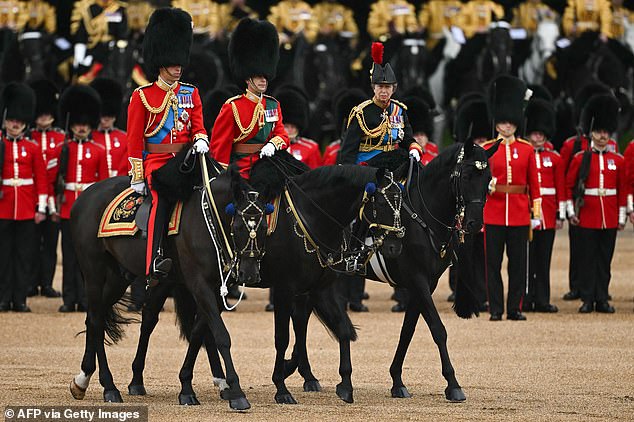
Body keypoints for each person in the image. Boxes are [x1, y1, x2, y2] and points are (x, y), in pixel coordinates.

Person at [127, 8, 208, 288]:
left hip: (187, 159)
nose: (178, 67)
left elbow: (197, 124)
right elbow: (134, 140)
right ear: (161, 62)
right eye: (173, 63)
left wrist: (200, 137)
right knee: (161, 201)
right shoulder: (143, 96)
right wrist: (138, 176)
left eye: (179, 63)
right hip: (159, 163)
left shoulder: (190, 93)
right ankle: (154, 259)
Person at [482, 75, 541, 322]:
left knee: (518, 265)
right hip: (493, 213)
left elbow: (534, 184)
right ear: (497, 123)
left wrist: (535, 214)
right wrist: (488, 185)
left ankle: (514, 307)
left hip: (518, 213)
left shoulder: (527, 149)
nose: (506, 127)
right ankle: (496, 308)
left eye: (510, 123)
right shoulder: (486, 149)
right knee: (492, 265)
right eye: (502, 122)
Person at [48, 85, 108, 312]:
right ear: (71, 124)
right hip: (66, 207)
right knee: (69, 254)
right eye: (77, 124)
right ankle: (68, 297)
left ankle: (84, 297)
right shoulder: (63, 149)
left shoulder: (99, 150)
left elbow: (103, 184)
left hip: (90, 212)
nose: (81, 128)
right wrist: (53, 204)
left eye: (85, 124)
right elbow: (54, 179)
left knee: (88, 258)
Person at [557, 82, 620, 301]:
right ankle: (579, 287)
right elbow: (565, 176)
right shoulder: (572, 146)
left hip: (602, 209)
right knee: (580, 251)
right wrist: (567, 207)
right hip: (580, 204)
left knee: (601, 255)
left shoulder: (612, 150)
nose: (603, 135)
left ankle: (598, 292)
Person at [209, 17, 289, 178]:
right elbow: (220, 148)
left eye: (265, 76)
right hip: (240, 172)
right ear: (247, 78)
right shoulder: (233, 106)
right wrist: (223, 178)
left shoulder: (272, 105)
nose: (263, 80)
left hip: (268, 166)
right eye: (258, 76)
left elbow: (282, 135)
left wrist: (273, 145)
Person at [0, 82, 47, 313]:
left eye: (18, 121)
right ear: (6, 119)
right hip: (3, 207)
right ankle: (3, 297)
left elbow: (41, 179)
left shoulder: (33, 147)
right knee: (3, 255)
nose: (15, 124)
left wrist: (41, 207)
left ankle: (20, 299)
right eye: (11, 120)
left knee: (23, 256)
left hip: (27, 207)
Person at [337, 42, 421, 165]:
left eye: (387, 87)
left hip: (393, 162)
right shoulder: (362, 112)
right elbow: (349, 149)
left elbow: (406, 138)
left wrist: (413, 147)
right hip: (367, 164)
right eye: (380, 86)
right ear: (373, 88)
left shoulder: (399, 110)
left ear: (393, 89)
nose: (383, 91)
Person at [390, 94, 436, 312]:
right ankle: (401, 296)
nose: (420, 138)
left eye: (422, 135)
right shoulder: (401, 155)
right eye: (416, 134)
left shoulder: (434, 154)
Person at [524, 98, 562, 313]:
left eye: (540, 134)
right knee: (527, 259)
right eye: (534, 134)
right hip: (526, 212)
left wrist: (559, 214)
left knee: (543, 259)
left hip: (547, 213)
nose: (537, 138)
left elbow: (559, 188)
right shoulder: (524, 154)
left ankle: (543, 298)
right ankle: (527, 297)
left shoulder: (554, 158)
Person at [28, 79, 64, 299]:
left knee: (50, 244)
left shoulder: (60, 138)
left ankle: (47, 283)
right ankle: (31, 283)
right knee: (31, 244)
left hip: (53, 198)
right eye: (40, 114)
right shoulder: (29, 137)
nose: (43, 118)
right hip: (30, 197)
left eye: (46, 114)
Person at [70, 0, 129, 83]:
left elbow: (122, 34)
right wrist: (79, 57)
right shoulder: (88, 9)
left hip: (112, 51)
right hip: (91, 50)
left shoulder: (117, 9)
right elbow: (81, 35)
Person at [90, 78, 127, 177]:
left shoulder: (125, 138)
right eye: (103, 116)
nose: (105, 119)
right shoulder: (90, 138)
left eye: (109, 116)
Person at [276, 87, 321, 169]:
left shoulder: (310, 148)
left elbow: (316, 177)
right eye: (286, 126)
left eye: (293, 126)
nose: (290, 129)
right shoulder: (270, 147)